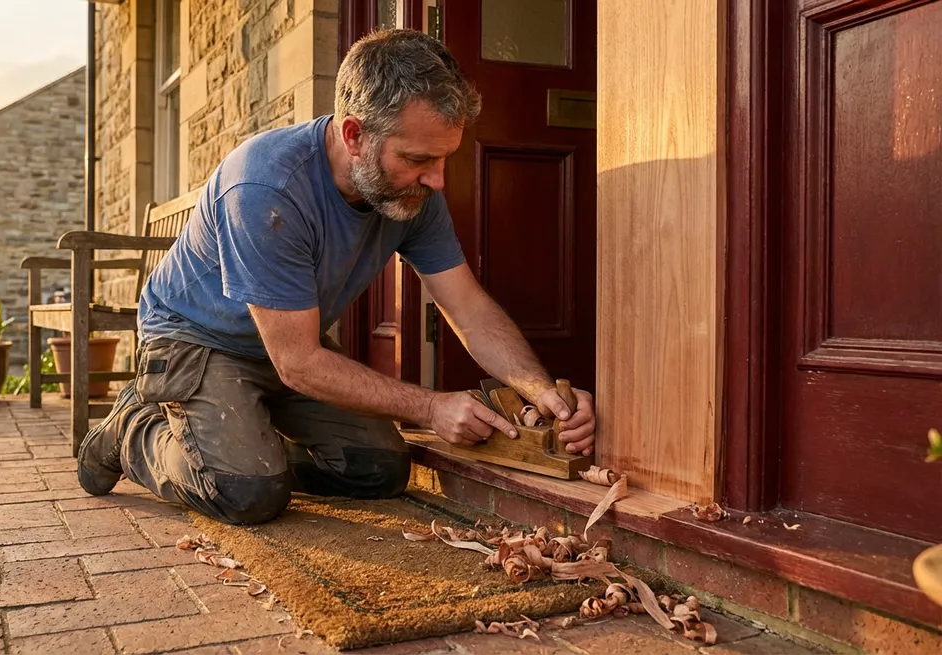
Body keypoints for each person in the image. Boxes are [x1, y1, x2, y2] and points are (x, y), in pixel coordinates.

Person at [76, 28, 596, 525]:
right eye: (418, 159)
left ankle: (239, 447)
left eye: (444, 158)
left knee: (380, 470)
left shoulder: (414, 194)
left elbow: (468, 307)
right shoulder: (266, 187)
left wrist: (540, 389)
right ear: (354, 134)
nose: (437, 179)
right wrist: (431, 406)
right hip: (195, 341)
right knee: (247, 492)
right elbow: (300, 363)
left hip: (283, 346)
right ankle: (131, 431)